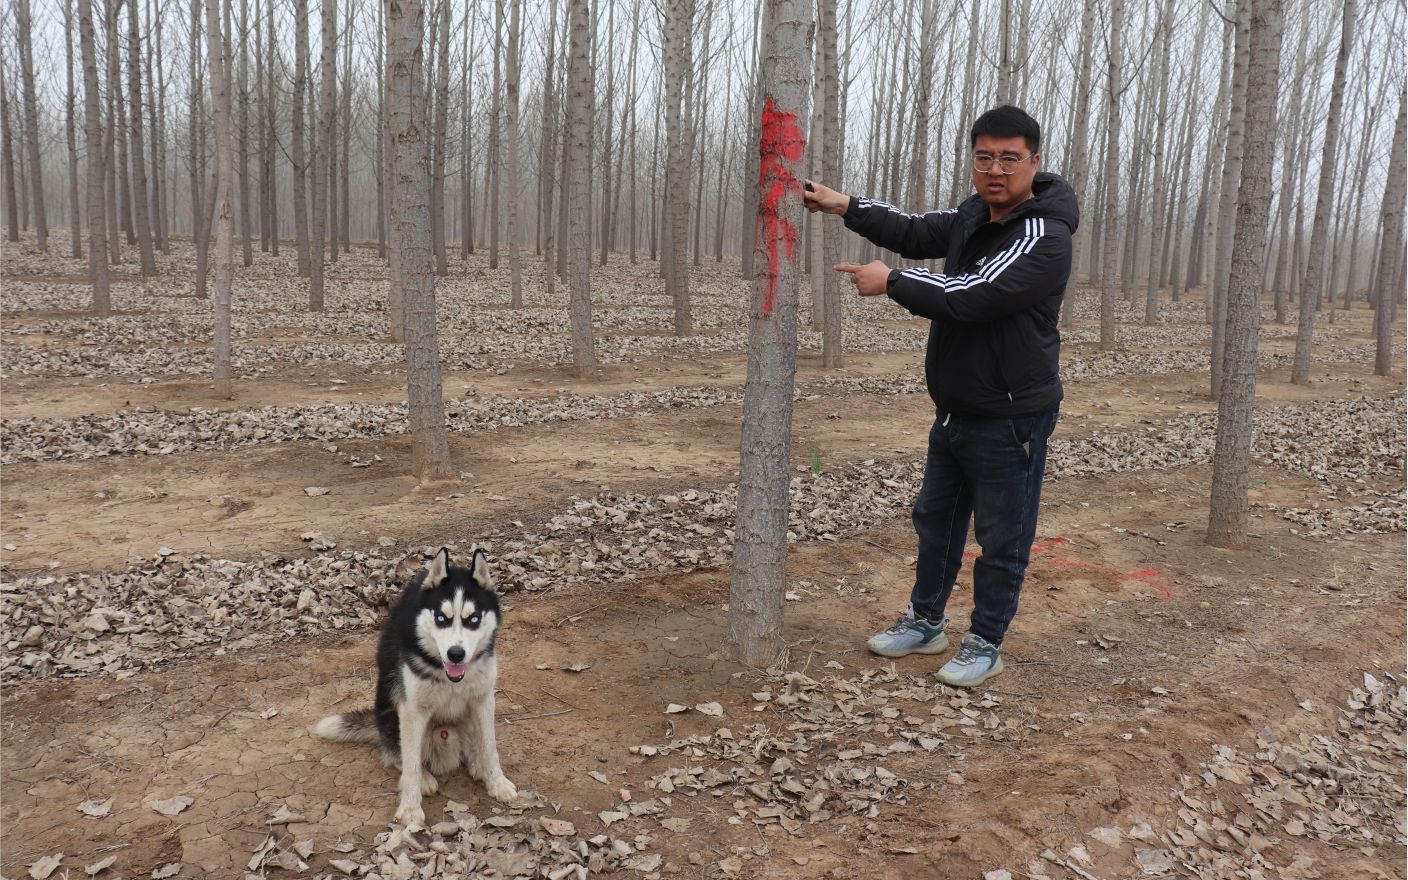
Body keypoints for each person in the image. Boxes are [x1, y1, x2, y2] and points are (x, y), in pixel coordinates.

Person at [803, 105, 1078, 688]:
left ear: (1035, 161)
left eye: (1009, 158)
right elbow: (913, 230)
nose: (995, 170)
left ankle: (985, 640)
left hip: (1011, 416)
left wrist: (895, 282)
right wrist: (845, 205)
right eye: (984, 157)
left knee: (1003, 533)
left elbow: (974, 293)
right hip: (955, 407)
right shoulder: (972, 213)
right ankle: (926, 621)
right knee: (937, 519)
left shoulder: (1044, 235)